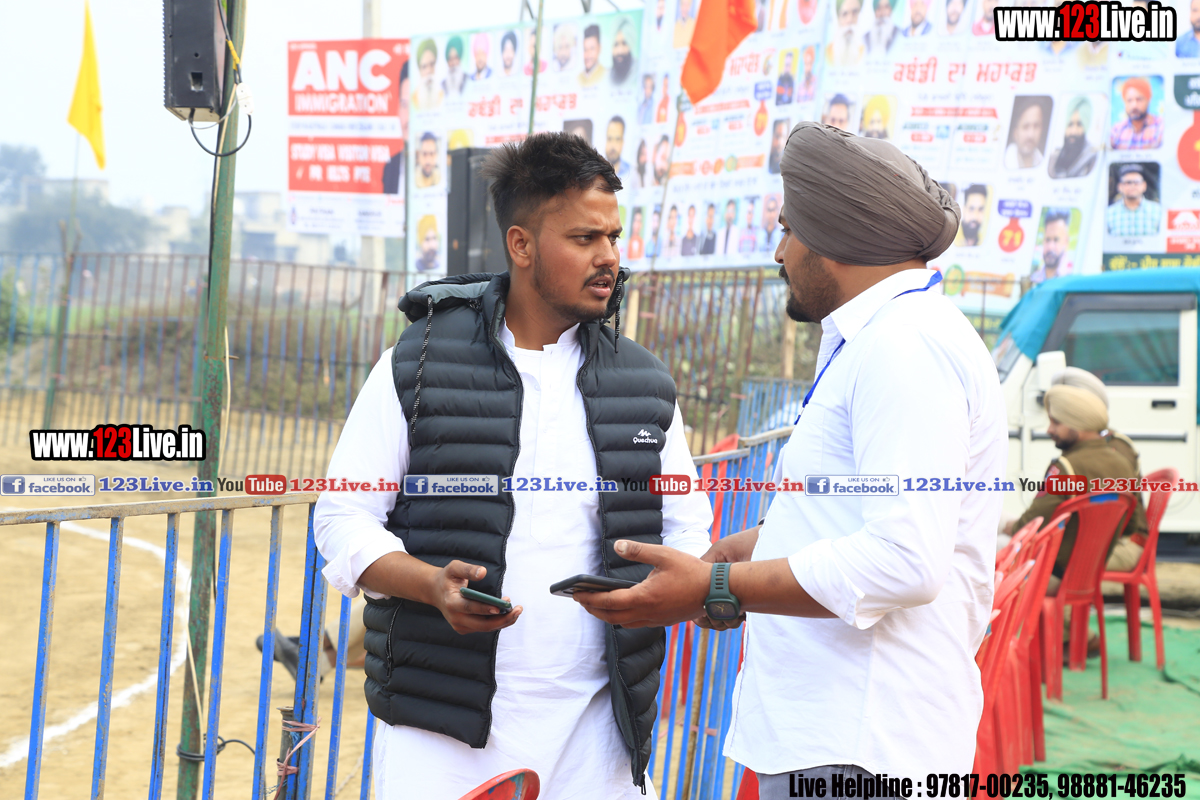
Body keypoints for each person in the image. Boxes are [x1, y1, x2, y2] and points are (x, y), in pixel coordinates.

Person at [574, 121, 1006, 791]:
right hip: (838, 735)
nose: (779, 253)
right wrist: (752, 548)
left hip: (858, 744)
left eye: (788, 231)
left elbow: (904, 561)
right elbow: (860, 514)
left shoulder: (905, 347)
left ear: (834, 239)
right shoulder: (888, 336)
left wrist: (719, 587)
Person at [314, 132, 713, 800]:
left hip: (601, 735)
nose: (609, 257)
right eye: (585, 238)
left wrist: (673, 587)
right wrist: (430, 585)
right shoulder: (419, 365)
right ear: (521, 245)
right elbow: (342, 516)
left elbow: (686, 526)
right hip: (442, 731)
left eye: (613, 237)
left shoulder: (644, 383)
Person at [1004, 372, 1147, 587]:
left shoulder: (1066, 467)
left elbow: (1029, 528)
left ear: (1078, 418)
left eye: (1056, 421)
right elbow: (1128, 523)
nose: (1049, 429)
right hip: (1089, 565)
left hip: (1062, 571)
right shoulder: (1119, 458)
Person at [1048, 97, 1100, 178]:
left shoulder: (1093, 158)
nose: (1074, 131)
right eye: (1070, 124)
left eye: (1079, 125)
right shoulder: (1054, 158)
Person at [1106, 163, 1161, 236]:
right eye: (1128, 182)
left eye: (1136, 182)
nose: (1132, 186)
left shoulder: (1158, 212)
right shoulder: (1108, 214)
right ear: (1120, 187)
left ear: (1144, 186)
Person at [1110, 77, 1163, 150]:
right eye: (1129, 100)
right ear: (1124, 103)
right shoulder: (1117, 130)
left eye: (1139, 99)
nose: (1134, 105)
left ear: (1148, 100)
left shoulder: (1161, 126)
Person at [382, 61, 409, 195]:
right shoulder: (390, 167)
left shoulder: (445, 166)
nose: (409, 117)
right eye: (404, 105)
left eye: (415, 106)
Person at [1030, 210, 1073, 283]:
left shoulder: (1072, 278)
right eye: (1047, 239)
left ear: (1066, 242)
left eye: (1056, 240)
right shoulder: (1034, 278)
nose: (1050, 247)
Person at [1004, 100, 1047, 169]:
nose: (1031, 135)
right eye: (1025, 127)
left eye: (1036, 126)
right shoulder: (1005, 162)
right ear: (1015, 132)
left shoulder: (1043, 161)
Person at [827, 0, 865, 66]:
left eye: (855, 12)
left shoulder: (866, 52)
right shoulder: (827, 53)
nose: (849, 20)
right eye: (844, 14)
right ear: (838, 18)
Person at [413, 39, 444, 110]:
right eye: (424, 66)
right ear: (419, 70)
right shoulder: (413, 100)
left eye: (432, 64)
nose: (429, 71)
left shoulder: (443, 96)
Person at [610, 20, 634, 86]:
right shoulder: (608, 77)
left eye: (624, 43)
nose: (620, 51)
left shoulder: (637, 71)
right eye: (616, 44)